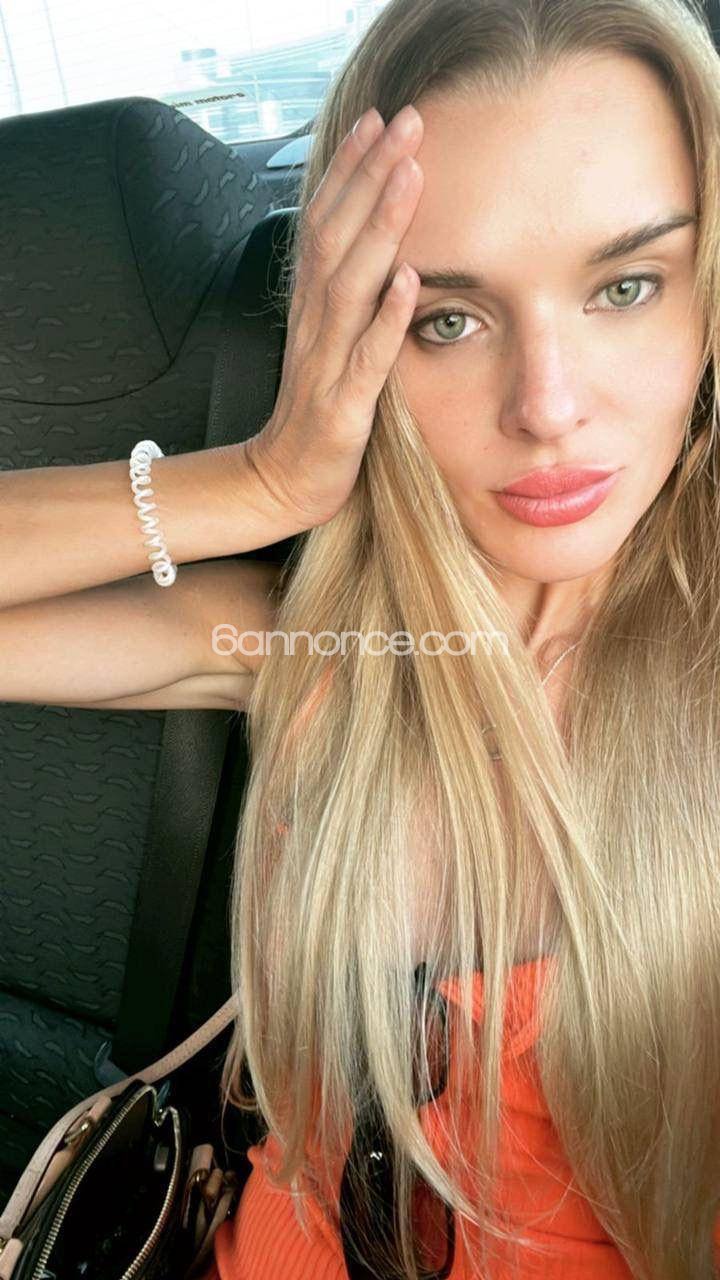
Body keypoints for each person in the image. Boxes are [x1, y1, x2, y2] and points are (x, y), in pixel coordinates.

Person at [1, 0, 718, 1275]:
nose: (548, 405)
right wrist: (261, 481)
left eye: (625, 286)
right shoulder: (328, 650)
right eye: (448, 318)